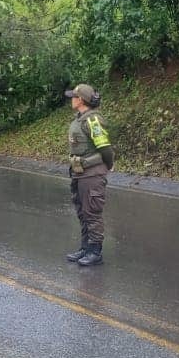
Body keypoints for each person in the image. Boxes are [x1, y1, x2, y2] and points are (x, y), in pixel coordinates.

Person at [64, 83, 114, 266]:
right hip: (79, 173)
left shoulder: (92, 120)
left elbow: (104, 147)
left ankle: (95, 251)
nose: (71, 99)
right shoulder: (80, 119)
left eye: (74, 96)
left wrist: (108, 165)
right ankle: (85, 247)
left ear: (81, 100)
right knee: (82, 211)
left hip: (92, 173)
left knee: (92, 212)